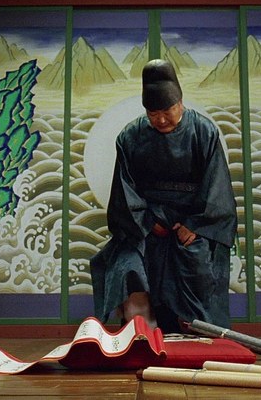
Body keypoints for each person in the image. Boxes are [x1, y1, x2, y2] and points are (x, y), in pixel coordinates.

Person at [90, 59, 238, 334]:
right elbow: (124, 190)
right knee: (128, 264)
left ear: (180, 103)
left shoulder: (203, 131)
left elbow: (216, 186)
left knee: (196, 260)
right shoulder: (130, 136)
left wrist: (195, 225)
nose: (160, 119)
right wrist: (146, 222)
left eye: (167, 111)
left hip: (193, 220)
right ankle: (143, 334)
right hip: (146, 220)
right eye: (152, 113)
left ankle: (200, 334)